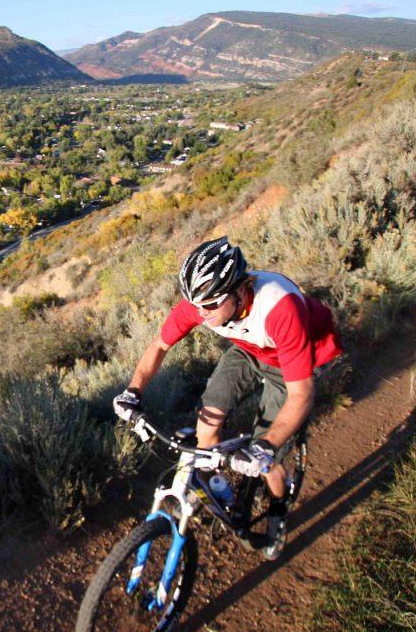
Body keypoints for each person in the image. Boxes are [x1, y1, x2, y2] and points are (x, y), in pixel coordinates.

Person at [114, 237, 342, 559]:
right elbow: (160, 346)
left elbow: (301, 394)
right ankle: (221, 494)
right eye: (196, 305)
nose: (201, 313)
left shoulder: (280, 308)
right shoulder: (202, 303)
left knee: (267, 462)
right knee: (206, 429)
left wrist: (265, 448)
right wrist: (132, 391)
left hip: (290, 360)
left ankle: (278, 511)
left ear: (239, 291)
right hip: (249, 350)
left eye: (210, 305)